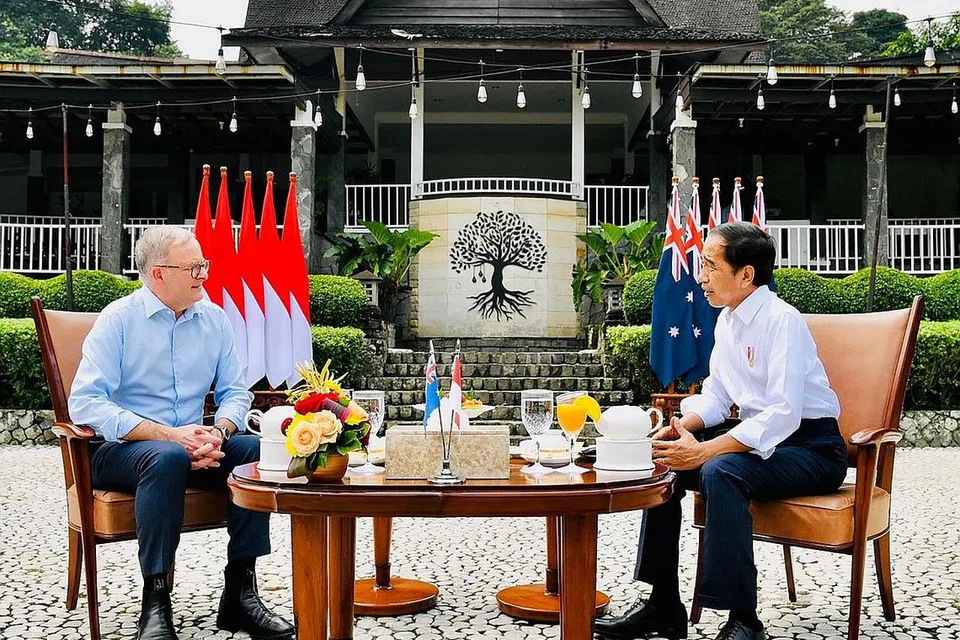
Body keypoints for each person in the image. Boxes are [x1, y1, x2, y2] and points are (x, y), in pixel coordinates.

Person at [595, 222, 848, 640]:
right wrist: (681, 429)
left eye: (710, 266)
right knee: (666, 465)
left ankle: (744, 620)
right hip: (759, 443)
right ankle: (663, 605)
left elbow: (783, 414)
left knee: (720, 470)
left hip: (812, 449)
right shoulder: (728, 320)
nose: (700, 277)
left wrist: (708, 450)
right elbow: (716, 396)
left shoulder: (782, 321)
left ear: (746, 274)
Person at [69, 227, 294, 640]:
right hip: (120, 451)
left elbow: (234, 393)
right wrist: (169, 436)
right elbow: (85, 404)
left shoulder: (214, 319)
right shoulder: (118, 320)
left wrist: (220, 433)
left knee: (254, 450)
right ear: (158, 273)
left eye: (204, 265)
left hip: (194, 447)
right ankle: (155, 604)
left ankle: (241, 595)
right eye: (194, 267)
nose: (204, 275)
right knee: (166, 455)